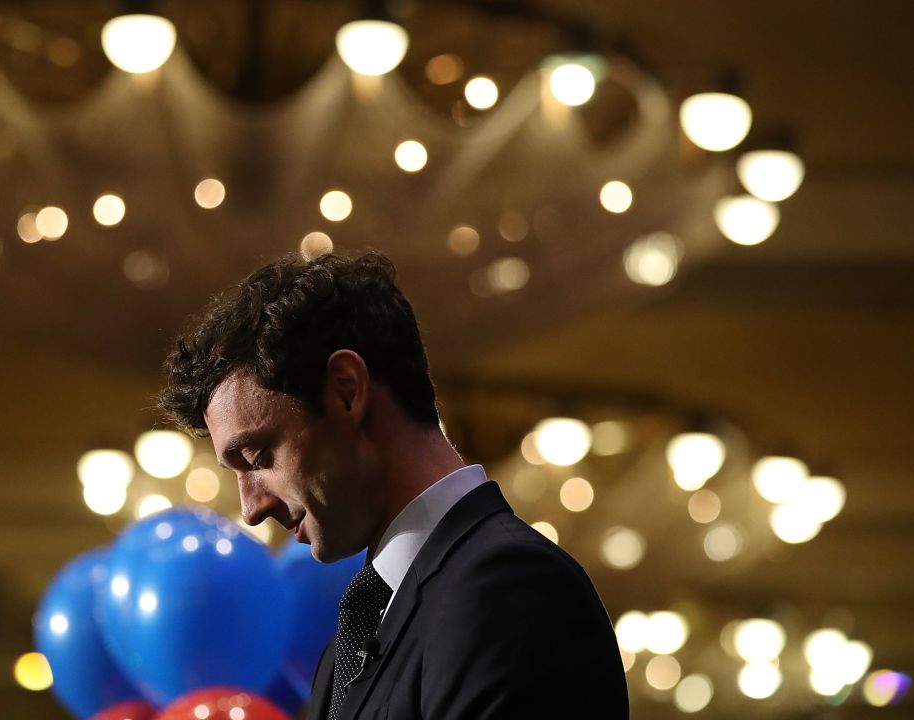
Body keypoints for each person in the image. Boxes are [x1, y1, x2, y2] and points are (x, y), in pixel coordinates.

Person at [158, 251, 629, 719]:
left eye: (260, 457)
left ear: (346, 389)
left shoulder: (512, 590)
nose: (250, 508)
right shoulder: (351, 641)